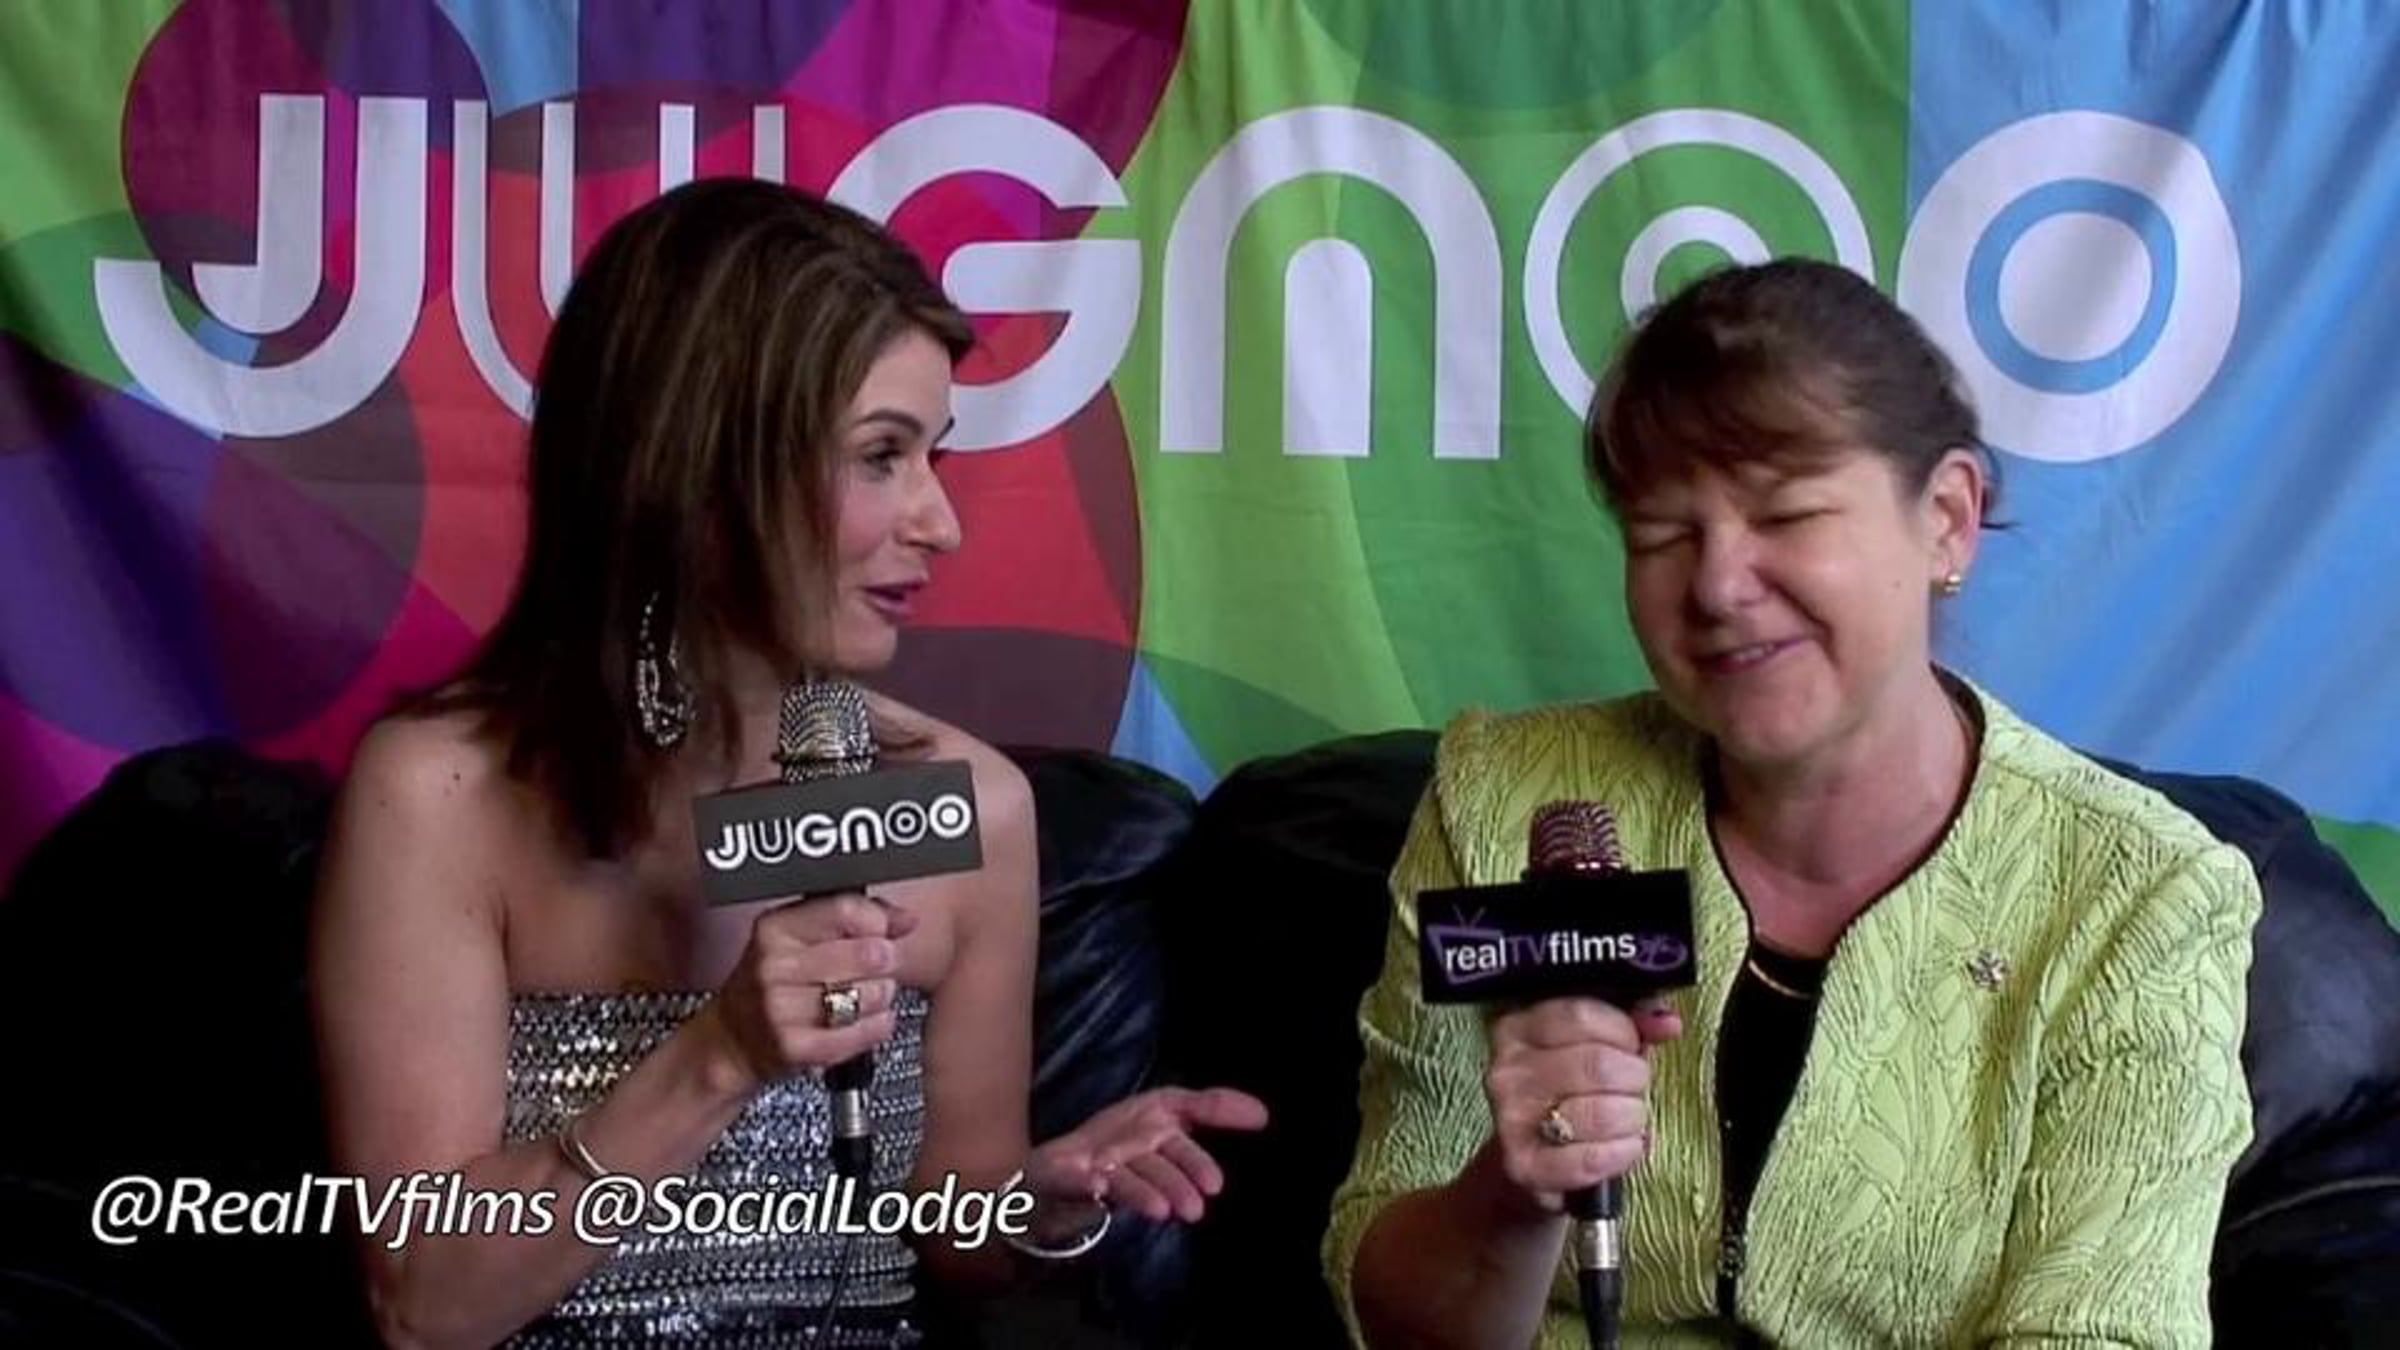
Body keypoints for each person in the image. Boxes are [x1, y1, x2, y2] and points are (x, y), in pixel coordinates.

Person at [308, 177, 1265, 1349]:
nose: (941, 523)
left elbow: (954, 1241)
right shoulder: (438, 797)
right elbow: (425, 1305)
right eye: (881, 456)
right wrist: (719, 1057)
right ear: (700, 463)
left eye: (933, 457)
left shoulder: (973, 806)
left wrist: (1044, 1204)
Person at [1323, 258, 2263, 1347]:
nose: (1718, 585)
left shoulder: (2142, 896)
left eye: (1787, 515)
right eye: (1664, 536)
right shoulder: (1505, 799)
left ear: (1947, 520)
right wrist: (1513, 1193)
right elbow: (1392, 1313)